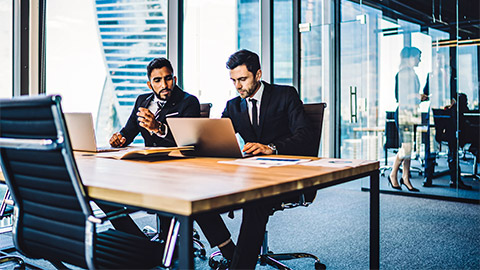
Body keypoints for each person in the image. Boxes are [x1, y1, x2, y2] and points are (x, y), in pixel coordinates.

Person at [195, 49, 314, 269]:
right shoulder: (233, 106)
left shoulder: (285, 95)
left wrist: (272, 148)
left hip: (283, 175)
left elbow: (305, 135)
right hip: (249, 174)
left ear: (258, 75)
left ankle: (242, 266)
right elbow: (218, 136)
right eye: (233, 81)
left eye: (242, 79)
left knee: (255, 200)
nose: (238, 86)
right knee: (197, 192)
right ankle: (230, 251)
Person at [103, 57, 201, 239]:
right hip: (148, 168)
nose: (164, 84)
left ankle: (166, 239)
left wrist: (158, 128)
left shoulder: (189, 102)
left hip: (177, 169)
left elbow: (188, 142)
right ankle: (136, 240)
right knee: (104, 192)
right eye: (157, 80)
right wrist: (120, 138)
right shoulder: (142, 101)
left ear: (175, 79)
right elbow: (128, 131)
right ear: (150, 84)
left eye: (168, 78)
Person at [388, 47, 424, 192]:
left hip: (412, 112)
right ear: (410, 57)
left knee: (409, 147)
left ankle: (406, 177)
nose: (419, 60)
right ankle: (393, 174)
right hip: (404, 112)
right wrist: (417, 96)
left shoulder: (411, 74)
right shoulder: (403, 74)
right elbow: (400, 97)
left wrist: (418, 97)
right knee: (406, 147)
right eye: (418, 57)